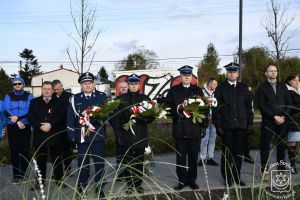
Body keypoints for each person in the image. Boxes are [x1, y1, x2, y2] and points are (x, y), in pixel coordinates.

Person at [67, 72, 107, 199]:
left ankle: (99, 188)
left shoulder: (102, 96)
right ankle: (82, 187)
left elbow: (107, 114)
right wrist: (71, 134)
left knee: (99, 163)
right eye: (85, 83)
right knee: (83, 163)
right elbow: (70, 117)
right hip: (82, 135)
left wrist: (102, 118)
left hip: (97, 135)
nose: (88, 85)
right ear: (81, 85)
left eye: (90, 83)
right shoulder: (75, 99)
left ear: (94, 84)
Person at [165, 65, 205, 190]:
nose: (187, 77)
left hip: (194, 129)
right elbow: (167, 109)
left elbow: (204, 109)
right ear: (181, 76)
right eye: (184, 75)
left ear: (191, 76)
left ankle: (192, 180)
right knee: (181, 158)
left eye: (189, 75)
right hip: (180, 129)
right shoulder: (173, 91)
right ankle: (182, 181)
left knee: (193, 157)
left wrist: (203, 127)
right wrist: (177, 110)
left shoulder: (198, 91)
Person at [213, 62, 253, 187]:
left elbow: (248, 108)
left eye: (234, 72)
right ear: (226, 74)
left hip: (241, 126)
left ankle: (236, 177)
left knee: (238, 154)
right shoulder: (220, 89)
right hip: (227, 127)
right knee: (227, 154)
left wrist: (250, 123)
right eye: (230, 72)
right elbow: (216, 109)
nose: (232, 74)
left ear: (237, 73)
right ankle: (227, 178)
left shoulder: (244, 88)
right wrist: (218, 125)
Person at [113, 74, 154, 194]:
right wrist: (119, 133)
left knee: (139, 162)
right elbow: (115, 119)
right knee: (127, 163)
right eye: (131, 84)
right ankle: (129, 185)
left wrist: (142, 119)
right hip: (126, 137)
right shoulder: (120, 100)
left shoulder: (145, 99)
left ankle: (138, 184)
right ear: (128, 85)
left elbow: (152, 117)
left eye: (136, 84)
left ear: (139, 85)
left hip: (141, 135)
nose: (134, 86)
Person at [256, 65, 291, 180]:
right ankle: (265, 171)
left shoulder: (283, 86)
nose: (273, 73)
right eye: (270, 71)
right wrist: (274, 116)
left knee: (281, 146)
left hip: (282, 121)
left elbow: (288, 102)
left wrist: (283, 116)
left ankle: (282, 170)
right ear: (266, 73)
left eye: (275, 71)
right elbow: (261, 105)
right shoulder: (261, 87)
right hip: (268, 121)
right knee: (265, 146)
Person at [28, 81, 65, 189]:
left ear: (52, 90)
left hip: (55, 134)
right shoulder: (34, 102)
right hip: (40, 135)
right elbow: (30, 117)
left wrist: (50, 124)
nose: (47, 91)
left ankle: (59, 180)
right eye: (45, 89)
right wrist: (40, 126)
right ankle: (40, 183)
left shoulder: (59, 102)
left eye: (49, 89)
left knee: (57, 159)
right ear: (42, 90)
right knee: (40, 161)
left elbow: (62, 116)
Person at [3, 77, 33, 183]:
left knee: (25, 150)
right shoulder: (8, 96)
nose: (17, 85)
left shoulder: (29, 96)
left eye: (19, 83)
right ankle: (16, 175)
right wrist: (17, 121)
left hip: (25, 126)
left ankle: (24, 174)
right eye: (15, 84)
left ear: (23, 84)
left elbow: (30, 110)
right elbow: (6, 111)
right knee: (14, 150)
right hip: (12, 126)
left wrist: (19, 119)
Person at [52, 79, 73, 176]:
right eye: (55, 90)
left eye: (58, 89)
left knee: (67, 150)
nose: (56, 91)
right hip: (55, 128)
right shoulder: (52, 98)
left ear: (62, 86)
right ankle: (57, 171)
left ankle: (68, 168)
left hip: (66, 127)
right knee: (56, 151)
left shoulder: (70, 97)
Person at [198, 77, 218, 167]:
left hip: (214, 120)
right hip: (205, 120)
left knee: (212, 139)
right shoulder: (201, 92)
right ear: (210, 84)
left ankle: (210, 157)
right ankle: (202, 158)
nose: (216, 85)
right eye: (214, 84)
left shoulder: (217, 93)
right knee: (204, 140)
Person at [113, 81, 128, 180]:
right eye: (121, 87)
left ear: (128, 88)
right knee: (120, 153)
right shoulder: (115, 102)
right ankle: (120, 173)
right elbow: (111, 117)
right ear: (118, 89)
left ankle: (128, 172)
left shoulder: (132, 99)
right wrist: (117, 128)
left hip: (131, 130)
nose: (123, 89)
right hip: (119, 130)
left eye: (124, 87)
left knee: (129, 152)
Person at [285, 74, 300, 174]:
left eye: (298, 80)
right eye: (295, 80)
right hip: (293, 120)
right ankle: (292, 165)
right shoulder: (288, 91)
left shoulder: (298, 91)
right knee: (292, 142)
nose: (297, 82)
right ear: (290, 81)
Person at [243, 87, 255, 164]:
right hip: (241, 119)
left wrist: (250, 123)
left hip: (247, 120)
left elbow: (251, 111)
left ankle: (246, 155)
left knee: (246, 139)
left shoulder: (250, 99)